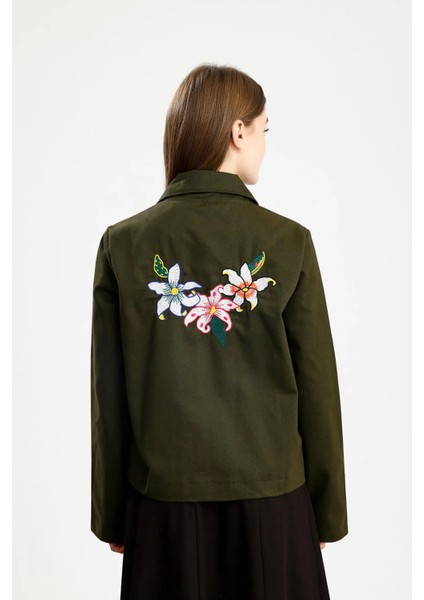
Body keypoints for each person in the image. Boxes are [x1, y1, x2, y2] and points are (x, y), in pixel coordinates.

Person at [90, 63, 348, 599]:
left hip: (161, 511)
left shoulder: (123, 243)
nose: (265, 144)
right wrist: (324, 513)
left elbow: (108, 399)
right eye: (264, 129)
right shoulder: (289, 241)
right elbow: (317, 386)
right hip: (275, 506)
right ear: (238, 131)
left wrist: (113, 514)